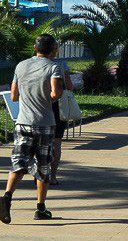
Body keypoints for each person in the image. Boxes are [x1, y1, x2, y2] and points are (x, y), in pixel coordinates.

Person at [0, 34, 64, 224]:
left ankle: (7, 197)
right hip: (44, 124)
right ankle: (41, 208)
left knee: (19, 163)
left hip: (23, 123)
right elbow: (55, 93)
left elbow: (14, 96)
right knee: (43, 165)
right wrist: (48, 97)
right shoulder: (53, 67)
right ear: (53, 50)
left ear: (35, 48)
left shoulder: (21, 66)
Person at [48, 45, 74, 186]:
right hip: (58, 107)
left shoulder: (30, 64)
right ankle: (52, 176)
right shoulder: (61, 64)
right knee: (56, 141)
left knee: (39, 142)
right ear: (54, 50)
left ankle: (39, 172)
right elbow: (69, 87)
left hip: (39, 106)